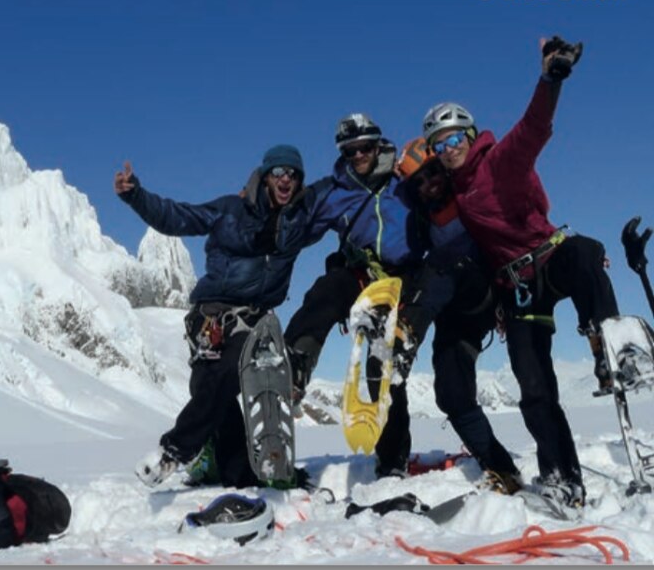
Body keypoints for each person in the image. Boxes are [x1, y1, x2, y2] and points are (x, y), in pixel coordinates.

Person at [422, 35, 616, 508]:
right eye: (438, 144)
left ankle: (611, 345)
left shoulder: (500, 161)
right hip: (517, 288)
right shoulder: (453, 196)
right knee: (534, 389)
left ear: (470, 135)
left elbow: (534, 126)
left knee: (585, 251)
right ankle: (561, 477)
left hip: (551, 258)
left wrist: (550, 79)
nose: (448, 148)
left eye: (453, 138)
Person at [115, 145, 323, 488]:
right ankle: (238, 472)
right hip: (209, 318)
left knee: (228, 373)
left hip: (253, 321)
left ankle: (174, 451)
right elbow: (177, 217)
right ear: (266, 177)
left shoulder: (298, 223)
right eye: (278, 172)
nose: (285, 179)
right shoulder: (229, 211)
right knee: (206, 388)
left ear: (299, 181)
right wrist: (135, 195)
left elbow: (338, 200)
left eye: (293, 174)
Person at [279, 114, 441, 479]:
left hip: (406, 278)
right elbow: (296, 226)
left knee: (383, 365)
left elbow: (442, 198)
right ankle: (294, 367)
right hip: (361, 273)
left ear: (377, 144)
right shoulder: (334, 192)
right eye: (349, 151)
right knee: (326, 290)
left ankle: (393, 460)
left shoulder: (404, 180)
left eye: (364, 147)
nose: (358, 156)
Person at [394, 138, 522, 494]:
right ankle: (501, 469)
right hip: (454, 313)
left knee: (444, 258)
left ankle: (405, 337)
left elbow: (521, 230)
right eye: (419, 182)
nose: (428, 184)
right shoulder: (424, 221)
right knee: (452, 393)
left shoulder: (475, 198)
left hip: (482, 293)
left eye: (432, 173)